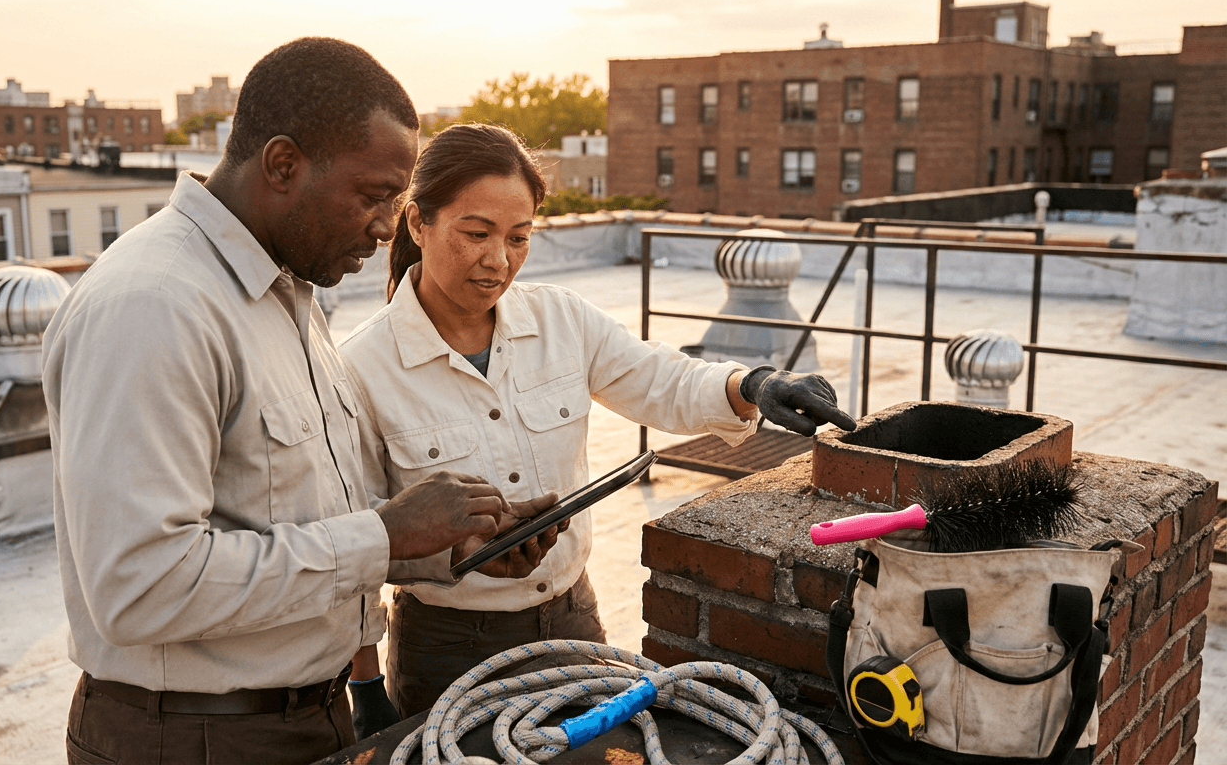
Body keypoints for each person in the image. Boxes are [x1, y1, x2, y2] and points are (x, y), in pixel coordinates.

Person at [42, 40, 554, 765]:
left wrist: (441, 551)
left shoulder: (287, 290)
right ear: (283, 165)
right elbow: (138, 589)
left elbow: (286, 519)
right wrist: (384, 536)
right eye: (374, 195)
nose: (386, 229)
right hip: (190, 738)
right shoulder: (155, 306)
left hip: (298, 718)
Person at [337, 123, 857, 719]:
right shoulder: (361, 367)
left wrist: (754, 384)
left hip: (573, 620)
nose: (497, 261)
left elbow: (659, 378)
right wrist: (365, 687)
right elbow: (356, 544)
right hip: (449, 648)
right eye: (475, 233)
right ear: (417, 223)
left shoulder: (561, 320)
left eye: (519, 237)